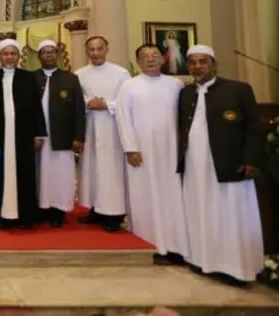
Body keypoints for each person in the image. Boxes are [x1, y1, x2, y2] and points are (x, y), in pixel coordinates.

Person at [179, 45, 264, 286]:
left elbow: (254, 128)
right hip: (195, 167)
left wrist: (252, 160)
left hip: (230, 165)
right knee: (200, 210)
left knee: (232, 214)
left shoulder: (238, 90)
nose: (198, 67)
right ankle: (201, 260)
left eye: (203, 62)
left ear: (214, 64)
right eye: (193, 62)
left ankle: (237, 268)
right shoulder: (186, 94)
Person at [116, 43, 188, 265]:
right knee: (144, 196)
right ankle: (149, 245)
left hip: (170, 150)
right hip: (141, 152)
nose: (150, 59)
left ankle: (176, 245)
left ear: (163, 59)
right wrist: (131, 148)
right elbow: (123, 118)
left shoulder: (176, 85)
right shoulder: (129, 86)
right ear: (138, 62)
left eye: (154, 55)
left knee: (173, 198)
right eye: (145, 56)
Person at [0, 38, 45, 229]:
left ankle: (25, 215)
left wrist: (38, 134)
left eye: (12, 53)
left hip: (23, 135)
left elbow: (36, 107)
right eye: (5, 54)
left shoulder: (28, 78)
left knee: (25, 174)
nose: (9, 57)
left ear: (18, 56)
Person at [76, 36, 131, 232]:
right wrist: (88, 102)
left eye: (99, 48)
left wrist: (107, 103)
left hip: (113, 127)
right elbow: (76, 98)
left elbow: (127, 99)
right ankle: (95, 209)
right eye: (91, 49)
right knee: (92, 169)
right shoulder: (79, 74)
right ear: (86, 52)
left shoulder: (121, 73)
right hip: (90, 126)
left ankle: (114, 214)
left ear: (107, 49)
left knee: (111, 170)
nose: (95, 53)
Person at [33, 40, 85, 227]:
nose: (49, 55)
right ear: (39, 56)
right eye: (44, 52)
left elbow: (79, 110)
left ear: (58, 55)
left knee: (61, 174)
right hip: (38, 137)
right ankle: (41, 208)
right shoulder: (32, 78)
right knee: (40, 174)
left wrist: (79, 137)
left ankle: (58, 210)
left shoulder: (70, 78)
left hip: (62, 136)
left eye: (52, 52)